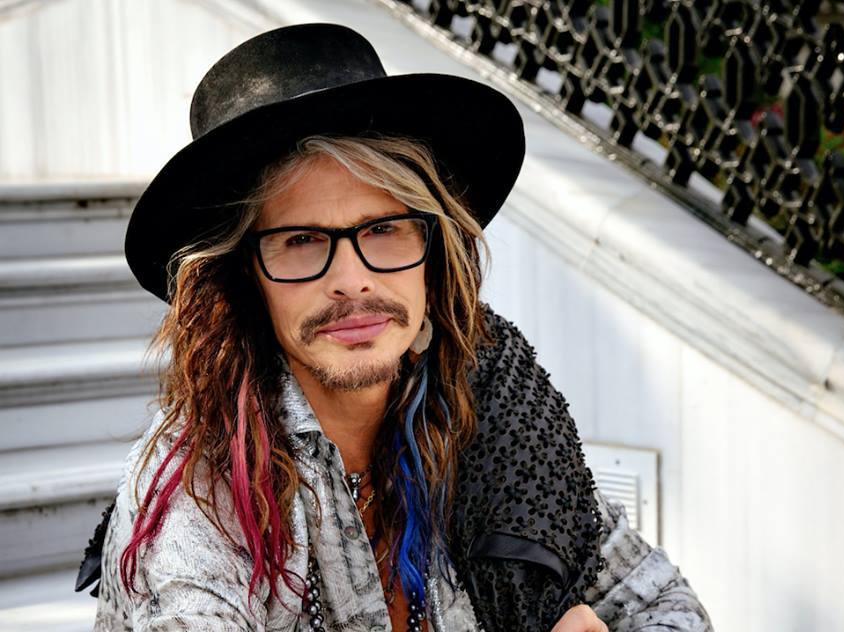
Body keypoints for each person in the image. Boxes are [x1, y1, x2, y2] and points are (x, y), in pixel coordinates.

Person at [77, 23, 713, 632]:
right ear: (247, 279)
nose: (352, 280)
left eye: (383, 229)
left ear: (432, 256)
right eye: (301, 240)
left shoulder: (493, 413)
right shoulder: (204, 485)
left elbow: (667, 604)